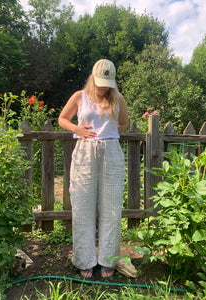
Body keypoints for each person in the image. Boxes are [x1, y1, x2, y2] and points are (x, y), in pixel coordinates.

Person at [58, 59, 129, 278]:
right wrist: (78, 129)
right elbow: (62, 119)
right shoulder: (80, 96)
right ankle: (84, 259)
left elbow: (124, 123)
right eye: (100, 82)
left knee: (111, 208)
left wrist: (110, 133)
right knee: (82, 207)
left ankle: (108, 258)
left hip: (111, 154)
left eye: (107, 83)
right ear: (93, 77)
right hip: (84, 153)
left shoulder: (118, 98)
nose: (103, 86)